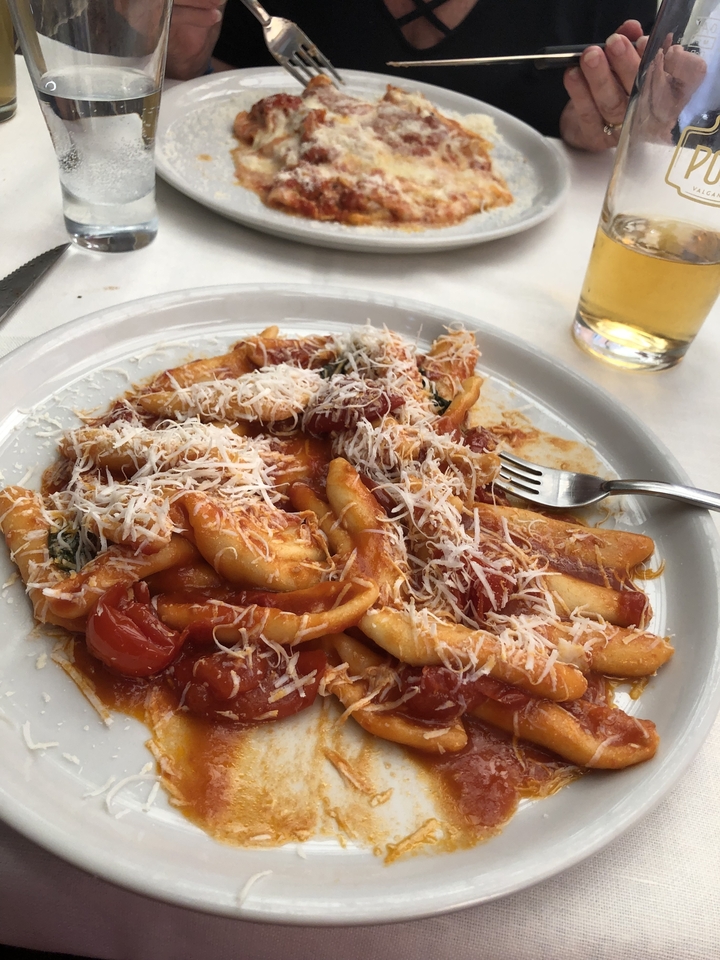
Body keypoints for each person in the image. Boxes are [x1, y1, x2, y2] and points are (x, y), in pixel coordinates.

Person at [165, 0, 657, 152]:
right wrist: (183, 61)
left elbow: (622, 137)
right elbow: (219, 88)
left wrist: (608, 128)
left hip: (507, 278)